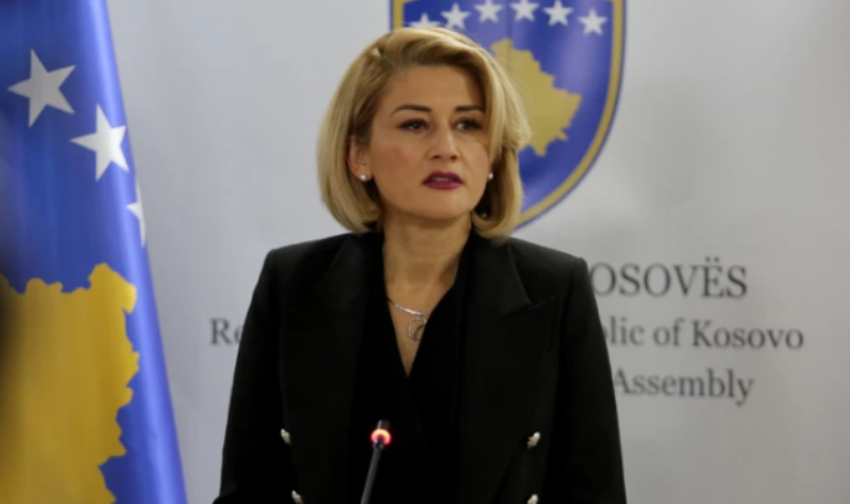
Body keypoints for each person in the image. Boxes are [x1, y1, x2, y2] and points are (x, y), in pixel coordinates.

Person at [213, 27, 626, 504]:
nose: (446, 147)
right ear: (358, 154)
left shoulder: (554, 288)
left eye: (468, 124)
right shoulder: (293, 283)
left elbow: (593, 491)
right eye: (415, 125)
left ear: (494, 153)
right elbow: (249, 486)